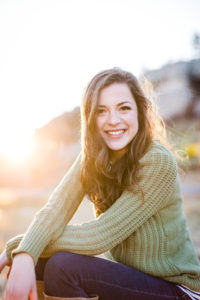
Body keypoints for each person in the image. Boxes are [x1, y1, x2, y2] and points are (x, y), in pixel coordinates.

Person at [0, 68, 200, 300]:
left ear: (139, 112)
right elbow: (55, 209)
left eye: (124, 108)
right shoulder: (93, 156)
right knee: (40, 263)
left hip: (179, 290)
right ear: (90, 117)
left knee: (63, 266)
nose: (113, 120)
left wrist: (20, 248)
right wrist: (28, 253)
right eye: (101, 111)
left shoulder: (157, 161)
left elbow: (99, 236)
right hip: (132, 281)